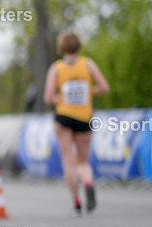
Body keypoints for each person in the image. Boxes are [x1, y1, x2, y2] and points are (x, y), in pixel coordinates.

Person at [43, 30, 109, 216]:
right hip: (83, 117)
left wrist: (62, 98)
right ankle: (88, 183)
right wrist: (88, 93)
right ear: (79, 45)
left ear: (61, 47)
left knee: (68, 160)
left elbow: (48, 98)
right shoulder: (88, 65)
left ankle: (77, 203)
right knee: (82, 161)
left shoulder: (56, 68)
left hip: (63, 116)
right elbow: (104, 87)